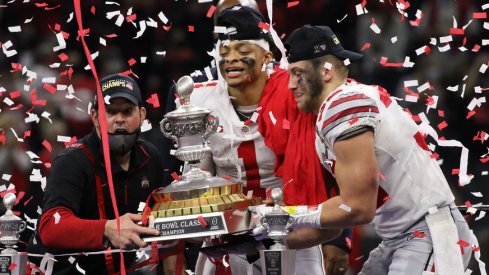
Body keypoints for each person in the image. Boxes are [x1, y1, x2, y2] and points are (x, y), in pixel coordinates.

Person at [283, 25, 473, 274]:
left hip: (428, 233)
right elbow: (334, 225)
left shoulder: (344, 105)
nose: (290, 85)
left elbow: (358, 206)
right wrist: (263, 238)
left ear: (326, 71)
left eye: (298, 73)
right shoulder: (344, 103)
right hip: (401, 237)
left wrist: (288, 215)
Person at [185, 6, 349, 275]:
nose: (231, 59)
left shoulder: (296, 94)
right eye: (224, 52)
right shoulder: (200, 102)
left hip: (295, 232)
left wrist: (336, 236)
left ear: (266, 56)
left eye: (243, 51)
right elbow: (198, 178)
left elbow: (328, 172)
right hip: (229, 241)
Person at [27, 74, 164, 274]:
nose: (119, 120)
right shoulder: (72, 161)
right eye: (110, 112)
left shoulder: (150, 156)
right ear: (94, 116)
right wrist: (107, 229)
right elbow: (50, 227)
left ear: (142, 115)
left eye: (127, 111)